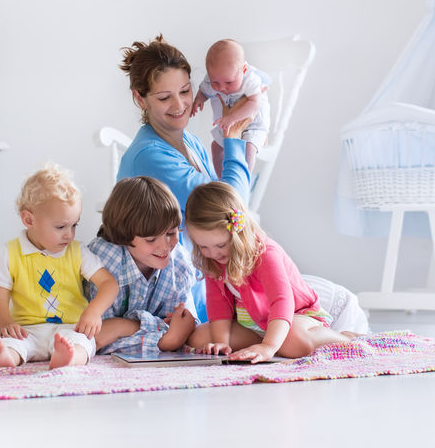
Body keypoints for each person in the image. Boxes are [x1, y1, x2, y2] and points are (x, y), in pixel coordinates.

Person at [117, 34, 253, 320]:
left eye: (185, 91)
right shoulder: (149, 156)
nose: (180, 105)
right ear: (140, 98)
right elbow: (230, 204)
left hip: (202, 282)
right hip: (171, 297)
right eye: (164, 97)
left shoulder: (189, 141)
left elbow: (226, 201)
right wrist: (234, 139)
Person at [0, 164, 120, 369]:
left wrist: (94, 311)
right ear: (29, 219)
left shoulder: (77, 251)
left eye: (74, 225)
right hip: (26, 328)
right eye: (60, 226)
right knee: (13, 342)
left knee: (83, 343)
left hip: (69, 328)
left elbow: (109, 283)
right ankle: (4, 354)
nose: (69, 234)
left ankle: (69, 358)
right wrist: (6, 324)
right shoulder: (10, 252)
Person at [185, 181, 354, 363]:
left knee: (293, 343)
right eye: (204, 246)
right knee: (198, 337)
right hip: (254, 324)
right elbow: (217, 305)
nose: (213, 253)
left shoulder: (265, 253)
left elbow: (282, 301)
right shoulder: (213, 260)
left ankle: (346, 338)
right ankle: (270, 344)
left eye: (220, 245)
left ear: (238, 233)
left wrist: (269, 346)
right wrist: (221, 342)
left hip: (295, 316)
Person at [84, 176, 198, 356]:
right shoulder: (105, 261)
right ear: (124, 236)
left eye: (171, 232)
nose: (165, 246)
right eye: (151, 239)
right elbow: (96, 339)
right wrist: (164, 340)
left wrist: (121, 326)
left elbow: (185, 330)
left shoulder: (179, 265)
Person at [192, 39, 270, 174]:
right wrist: (199, 99)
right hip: (227, 124)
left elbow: (254, 103)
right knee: (216, 147)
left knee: (249, 148)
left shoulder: (250, 79)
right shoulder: (212, 80)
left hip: (253, 124)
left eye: (229, 82)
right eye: (215, 82)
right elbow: (204, 91)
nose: (222, 88)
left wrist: (232, 118)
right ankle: (222, 181)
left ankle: (244, 177)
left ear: (243, 70)